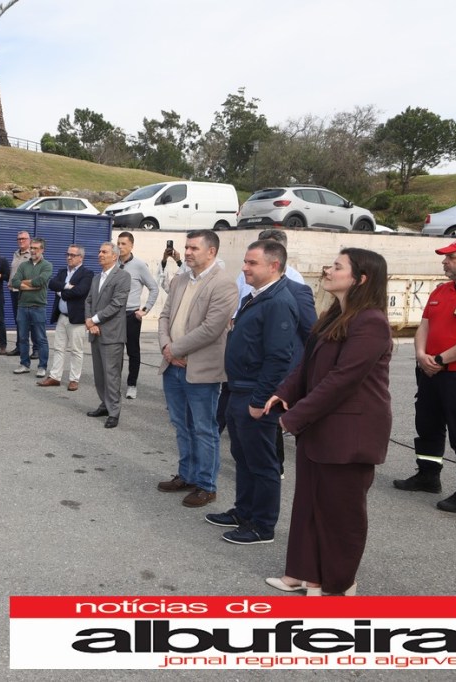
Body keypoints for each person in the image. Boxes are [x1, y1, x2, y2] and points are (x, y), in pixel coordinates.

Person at [264, 248, 392, 597]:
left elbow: (343, 379)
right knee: (308, 503)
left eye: (337, 266)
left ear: (360, 278)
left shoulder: (371, 322)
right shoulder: (335, 313)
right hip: (320, 426)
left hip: (349, 434)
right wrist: (284, 392)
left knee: (341, 514)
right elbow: (307, 365)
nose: (328, 270)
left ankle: (339, 584)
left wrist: (294, 417)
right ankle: (302, 575)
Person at [210, 240, 298, 544]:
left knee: (262, 462)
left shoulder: (278, 302)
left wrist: (261, 400)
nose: (244, 268)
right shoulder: (257, 296)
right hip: (238, 388)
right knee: (243, 456)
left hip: (254, 394)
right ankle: (244, 512)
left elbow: (278, 357)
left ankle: (262, 525)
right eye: (245, 262)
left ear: (273, 266)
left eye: (252, 263)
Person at [394, 237, 456, 513]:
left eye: (451, 257)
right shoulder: (441, 291)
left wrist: (441, 359)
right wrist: (422, 355)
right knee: (427, 424)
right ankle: (428, 476)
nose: (445, 261)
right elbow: (424, 326)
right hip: (431, 371)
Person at [157, 230, 239, 508]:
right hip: (173, 366)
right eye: (187, 247)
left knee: (204, 429)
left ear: (211, 251)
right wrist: (167, 347)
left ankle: (206, 485)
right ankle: (187, 475)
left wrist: (175, 349)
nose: (188, 252)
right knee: (181, 425)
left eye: (194, 248)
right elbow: (164, 316)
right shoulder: (180, 280)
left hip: (201, 370)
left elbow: (211, 329)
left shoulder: (224, 284)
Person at [84, 242, 131, 428]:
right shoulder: (97, 278)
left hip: (112, 335)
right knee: (99, 375)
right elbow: (88, 301)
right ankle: (105, 404)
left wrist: (93, 320)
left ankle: (114, 412)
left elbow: (117, 304)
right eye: (99, 251)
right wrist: (89, 321)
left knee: (111, 375)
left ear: (115, 256)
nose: (100, 254)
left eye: (104, 252)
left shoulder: (123, 277)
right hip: (95, 332)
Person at [38, 244, 92, 391]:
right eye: (67, 254)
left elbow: (80, 291)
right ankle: (55, 377)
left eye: (72, 255)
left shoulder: (87, 273)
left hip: (77, 319)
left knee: (76, 350)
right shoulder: (62, 272)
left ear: (81, 257)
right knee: (58, 348)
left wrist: (61, 292)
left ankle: (74, 379)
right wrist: (67, 286)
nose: (69, 257)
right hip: (62, 317)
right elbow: (51, 284)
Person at [117, 232, 160, 400]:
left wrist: (145, 309)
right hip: (114, 314)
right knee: (115, 351)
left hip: (131, 315)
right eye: (118, 243)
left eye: (123, 244)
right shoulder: (113, 263)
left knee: (133, 351)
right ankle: (114, 384)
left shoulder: (139, 265)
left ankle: (132, 385)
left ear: (131, 246)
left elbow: (154, 288)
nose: (120, 246)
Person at [10, 237, 52, 377]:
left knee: (40, 339)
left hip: (38, 307)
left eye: (36, 248)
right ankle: (24, 364)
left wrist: (24, 283)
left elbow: (40, 281)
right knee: (22, 337)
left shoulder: (47, 265)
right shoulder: (23, 265)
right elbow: (14, 282)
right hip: (22, 306)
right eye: (32, 248)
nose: (33, 251)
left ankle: (42, 366)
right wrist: (31, 286)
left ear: (42, 250)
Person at [6, 231, 35, 357]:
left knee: (31, 321)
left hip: (27, 292)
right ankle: (20, 347)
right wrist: (10, 282)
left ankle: (36, 349)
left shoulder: (32, 254)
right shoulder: (16, 253)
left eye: (24, 238)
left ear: (29, 240)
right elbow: (13, 270)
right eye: (19, 239)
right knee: (19, 321)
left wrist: (21, 284)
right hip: (14, 291)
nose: (21, 241)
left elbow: (35, 275)